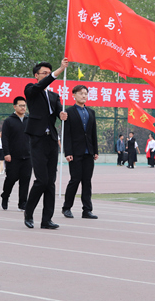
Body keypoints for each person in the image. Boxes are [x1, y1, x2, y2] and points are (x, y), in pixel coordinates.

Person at [23, 58, 68, 229]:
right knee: (41, 180)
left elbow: (59, 113)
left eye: (49, 73)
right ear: (36, 75)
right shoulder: (31, 90)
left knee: (50, 182)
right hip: (37, 139)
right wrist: (58, 71)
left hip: (52, 140)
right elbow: (41, 86)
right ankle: (28, 213)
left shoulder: (54, 96)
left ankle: (46, 220)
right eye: (45, 73)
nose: (48, 75)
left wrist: (63, 115)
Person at [61, 85, 99, 219]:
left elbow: (93, 133)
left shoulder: (91, 112)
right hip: (75, 152)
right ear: (74, 95)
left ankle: (87, 210)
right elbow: (66, 134)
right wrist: (68, 152)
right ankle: (66, 207)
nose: (83, 96)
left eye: (85, 93)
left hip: (89, 152)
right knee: (75, 180)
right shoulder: (68, 112)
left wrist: (95, 151)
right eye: (81, 93)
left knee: (87, 182)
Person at [1, 96, 31, 211]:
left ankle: (22, 203)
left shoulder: (29, 120)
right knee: (11, 178)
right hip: (13, 156)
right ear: (15, 106)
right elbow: (5, 138)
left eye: (24, 106)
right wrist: (6, 153)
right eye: (21, 105)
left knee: (25, 180)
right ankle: (5, 196)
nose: (23, 108)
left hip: (28, 156)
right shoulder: (9, 121)